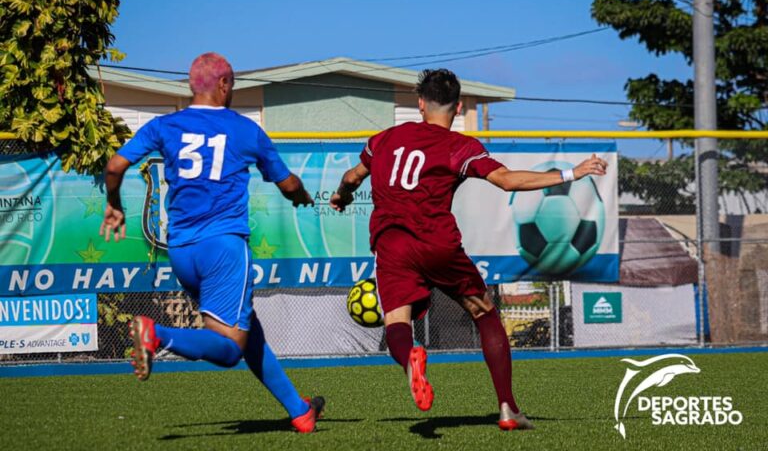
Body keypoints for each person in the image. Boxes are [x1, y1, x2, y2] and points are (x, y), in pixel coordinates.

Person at [330, 68, 608, 431]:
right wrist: (572, 173)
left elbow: (352, 176)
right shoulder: (459, 146)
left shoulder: (384, 139)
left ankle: (410, 358)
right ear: (458, 107)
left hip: (391, 242)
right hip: (436, 242)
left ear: (420, 104)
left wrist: (341, 194)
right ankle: (508, 409)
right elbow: (507, 181)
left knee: (396, 321)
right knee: (485, 313)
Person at [100, 52, 324, 433]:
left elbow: (114, 166)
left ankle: (299, 411)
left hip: (182, 253)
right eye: (232, 84)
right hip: (223, 248)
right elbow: (288, 183)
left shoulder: (164, 125)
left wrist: (114, 205)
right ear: (223, 85)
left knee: (246, 327)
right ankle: (157, 335)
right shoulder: (244, 129)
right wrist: (301, 196)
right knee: (229, 348)